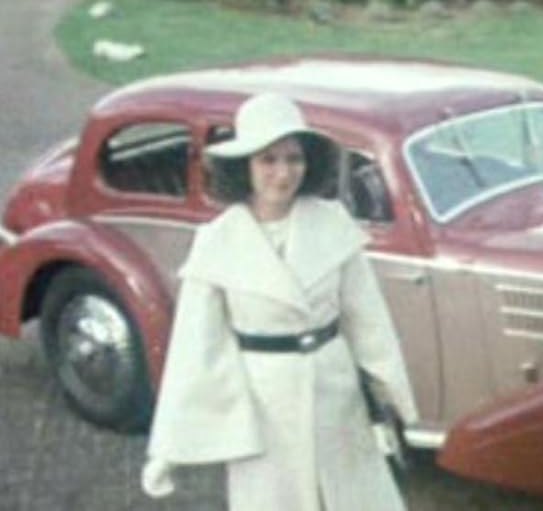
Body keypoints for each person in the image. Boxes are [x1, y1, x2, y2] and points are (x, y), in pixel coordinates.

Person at [140, 92, 418, 510]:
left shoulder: (333, 223)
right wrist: (168, 450)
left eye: (293, 159)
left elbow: (368, 321)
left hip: (335, 395)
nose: (283, 173)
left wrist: (394, 397)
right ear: (244, 166)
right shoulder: (217, 242)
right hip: (264, 404)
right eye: (267, 160)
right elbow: (196, 347)